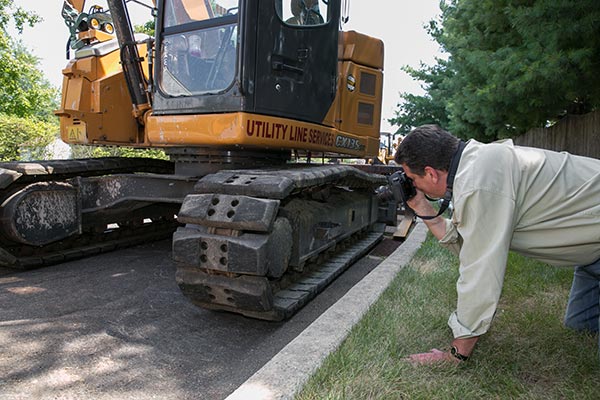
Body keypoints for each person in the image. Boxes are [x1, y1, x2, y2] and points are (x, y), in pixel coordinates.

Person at [394, 124, 600, 363]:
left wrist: (457, 353)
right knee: (582, 327)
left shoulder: (480, 181)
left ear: (431, 173)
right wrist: (421, 207)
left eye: (413, 179)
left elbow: (480, 269)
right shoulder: (478, 164)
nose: (414, 186)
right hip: (591, 254)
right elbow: (467, 242)